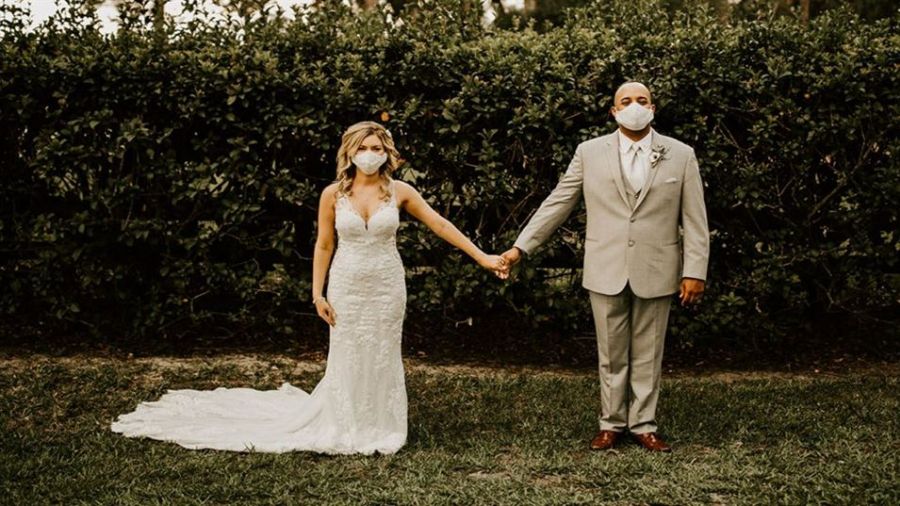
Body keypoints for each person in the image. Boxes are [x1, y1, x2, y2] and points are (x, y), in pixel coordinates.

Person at [110, 121, 508, 454]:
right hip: (347, 283)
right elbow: (323, 244)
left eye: (377, 147)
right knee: (349, 352)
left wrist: (483, 257)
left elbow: (441, 225)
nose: (371, 153)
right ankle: (345, 422)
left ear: (387, 152)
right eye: (364, 147)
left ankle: (382, 426)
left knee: (383, 352)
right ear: (350, 152)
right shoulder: (332, 195)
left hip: (387, 285)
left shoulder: (401, 192)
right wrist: (317, 293)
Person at [499, 82, 710, 452]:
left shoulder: (680, 154)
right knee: (610, 352)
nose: (634, 106)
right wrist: (521, 247)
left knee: (649, 351)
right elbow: (558, 202)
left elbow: (695, 218)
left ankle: (644, 423)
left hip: (658, 266)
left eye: (641, 100)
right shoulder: (589, 152)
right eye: (625, 101)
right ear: (613, 112)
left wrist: (695, 270)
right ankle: (610, 423)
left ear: (653, 108)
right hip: (605, 265)